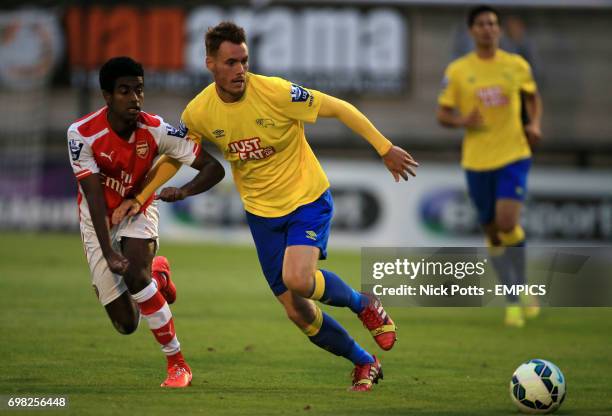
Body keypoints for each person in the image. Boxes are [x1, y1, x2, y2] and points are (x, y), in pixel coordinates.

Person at [113, 22, 418, 391]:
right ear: (210, 63)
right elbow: (177, 157)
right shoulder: (199, 112)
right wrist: (141, 197)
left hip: (307, 199)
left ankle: (362, 303)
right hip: (262, 215)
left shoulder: (276, 92)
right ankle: (365, 362)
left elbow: (339, 108)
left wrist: (384, 148)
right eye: (230, 62)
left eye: (243, 61)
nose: (239, 69)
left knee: (298, 279)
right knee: (298, 310)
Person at [67, 57, 224, 387]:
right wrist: (108, 252)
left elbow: (214, 168)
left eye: (138, 90)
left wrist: (183, 191)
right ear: (107, 96)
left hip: (138, 209)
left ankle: (177, 364)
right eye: (125, 91)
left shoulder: (155, 129)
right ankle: (158, 275)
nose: (134, 98)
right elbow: (94, 197)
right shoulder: (81, 134)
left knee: (136, 277)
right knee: (126, 323)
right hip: (97, 220)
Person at [436, 6, 543, 327]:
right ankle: (517, 293)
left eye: (493, 24)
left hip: (514, 154)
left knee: (508, 221)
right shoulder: (458, 70)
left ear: (499, 30)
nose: (488, 29)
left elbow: (533, 98)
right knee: (493, 233)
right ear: (472, 31)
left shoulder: (516, 65)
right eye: (482, 24)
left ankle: (515, 299)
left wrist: (534, 123)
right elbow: (442, 114)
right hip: (477, 160)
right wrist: (461, 120)